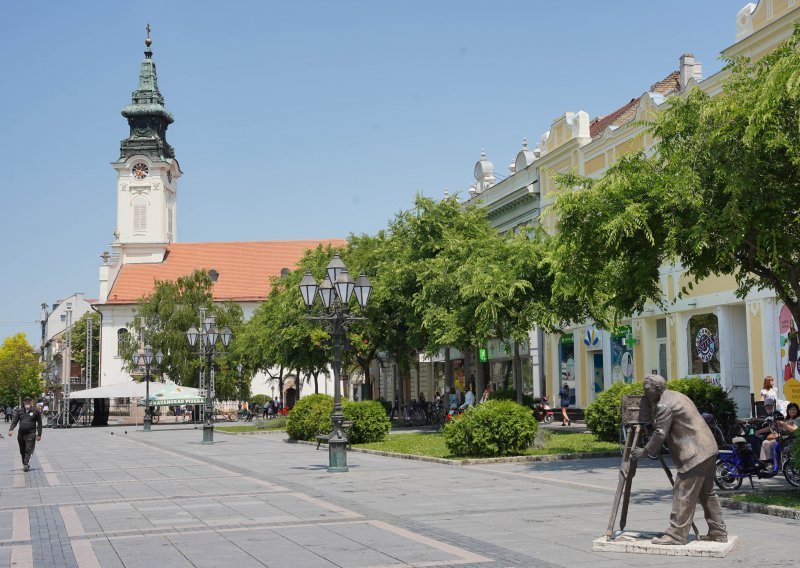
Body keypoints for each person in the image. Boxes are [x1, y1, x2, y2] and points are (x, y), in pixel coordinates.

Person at [630, 375, 726, 545]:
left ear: (658, 388)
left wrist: (644, 451)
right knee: (706, 492)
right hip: (708, 448)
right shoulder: (677, 395)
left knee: (683, 491)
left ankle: (676, 535)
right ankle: (718, 531)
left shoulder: (664, 405)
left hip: (695, 453)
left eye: (647, 388)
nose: (644, 392)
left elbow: (660, 434)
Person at [8, 396, 43, 472]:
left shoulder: (35, 411)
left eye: (28, 401)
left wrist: (39, 434)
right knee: (22, 450)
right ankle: (25, 463)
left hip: (31, 434)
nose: (27, 402)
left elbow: (39, 423)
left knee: (28, 449)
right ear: (23, 402)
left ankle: (26, 464)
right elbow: (15, 421)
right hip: (21, 434)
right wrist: (11, 429)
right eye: (26, 401)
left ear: (31, 402)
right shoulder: (20, 411)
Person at [754, 397, 785, 466]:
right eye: (767, 406)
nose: (768, 407)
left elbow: (773, 427)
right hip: (768, 434)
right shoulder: (766, 414)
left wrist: (759, 431)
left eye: (770, 405)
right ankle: (760, 459)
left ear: (773, 406)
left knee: (760, 439)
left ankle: (767, 461)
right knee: (752, 438)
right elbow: (763, 422)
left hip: (775, 434)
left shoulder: (777, 414)